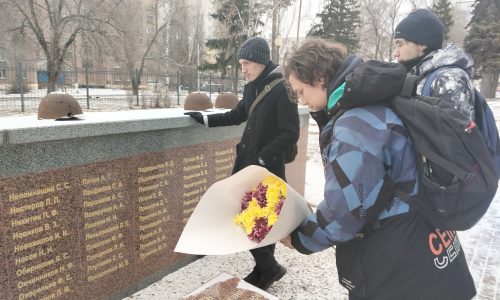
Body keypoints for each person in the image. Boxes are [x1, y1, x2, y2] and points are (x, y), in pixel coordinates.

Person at [281, 38, 476, 299]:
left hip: (400, 267)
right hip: (427, 246)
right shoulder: (373, 101)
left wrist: (298, 237)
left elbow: (345, 213)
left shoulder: (355, 124)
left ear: (318, 77)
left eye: (300, 91)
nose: (301, 101)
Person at [185, 36, 300, 290]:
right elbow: (238, 114)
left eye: (246, 63)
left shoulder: (283, 87)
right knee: (254, 219)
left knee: (254, 220)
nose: (243, 69)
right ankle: (266, 270)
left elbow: (290, 132)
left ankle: (268, 269)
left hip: (266, 167)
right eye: (241, 63)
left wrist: (263, 158)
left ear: (260, 61)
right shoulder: (251, 87)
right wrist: (204, 119)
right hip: (247, 165)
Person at [393, 8, 475, 120]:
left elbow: (457, 134)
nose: (395, 53)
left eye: (400, 44)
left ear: (422, 43)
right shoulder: (419, 75)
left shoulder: (448, 79)